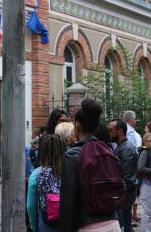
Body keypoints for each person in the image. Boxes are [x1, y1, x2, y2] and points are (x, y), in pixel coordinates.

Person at [60, 99, 120, 232]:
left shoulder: (72, 155)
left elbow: (68, 201)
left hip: (87, 225)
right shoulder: (108, 151)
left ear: (77, 126)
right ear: (97, 127)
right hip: (113, 223)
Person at [27, 134, 67, 232]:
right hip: (69, 221)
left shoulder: (36, 174)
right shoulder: (71, 170)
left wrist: (34, 226)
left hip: (46, 223)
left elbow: (31, 206)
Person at [109, 119, 138, 232]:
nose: (109, 132)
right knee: (125, 222)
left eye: (111, 129)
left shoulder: (126, 148)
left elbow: (125, 176)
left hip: (125, 192)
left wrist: (118, 194)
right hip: (124, 192)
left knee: (125, 224)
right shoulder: (122, 146)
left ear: (120, 131)